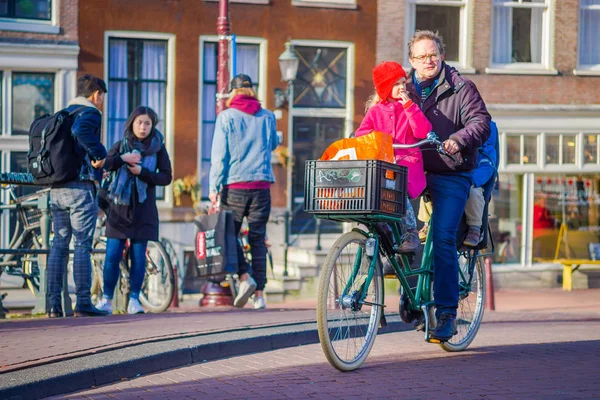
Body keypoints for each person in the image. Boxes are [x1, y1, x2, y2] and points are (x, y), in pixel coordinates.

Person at [405, 30, 491, 341]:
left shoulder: (461, 87)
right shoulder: (402, 88)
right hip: (413, 170)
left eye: (432, 54)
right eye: (421, 56)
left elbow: (480, 123)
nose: (427, 60)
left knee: (441, 238)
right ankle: (410, 292)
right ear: (412, 61)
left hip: (451, 172)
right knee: (394, 228)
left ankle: (446, 314)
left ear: (442, 55)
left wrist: (458, 140)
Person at [209, 74, 279, 310]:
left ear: (232, 94)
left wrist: (213, 188)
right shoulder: (268, 116)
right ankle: (259, 295)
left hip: (235, 186)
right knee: (257, 239)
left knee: (229, 235)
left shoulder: (226, 117)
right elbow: (271, 145)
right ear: (252, 91)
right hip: (262, 187)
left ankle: (244, 276)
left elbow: (219, 157)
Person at [95, 106, 172, 315]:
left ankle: (134, 300)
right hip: (119, 209)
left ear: (152, 125)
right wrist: (124, 159)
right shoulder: (121, 146)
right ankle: (106, 300)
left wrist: (143, 172)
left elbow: (166, 177)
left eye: (147, 123)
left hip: (144, 210)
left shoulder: (159, 149)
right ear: (132, 123)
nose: (143, 127)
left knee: (139, 257)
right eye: (139, 122)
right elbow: (105, 165)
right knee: (112, 255)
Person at [355, 61, 432, 253]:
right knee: (374, 197)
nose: (402, 88)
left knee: (397, 190)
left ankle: (411, 231)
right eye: (396, 84)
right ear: (385, 87)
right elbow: (361, 135)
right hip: (382, 167)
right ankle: (387, 243)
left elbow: (423, 131)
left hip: (407, 165)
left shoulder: (409, 107)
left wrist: (409, 106)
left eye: (403, 83)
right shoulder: (375, 112)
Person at [47, 74, 108, 318]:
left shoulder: (63, 112)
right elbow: (81, 131)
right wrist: (99, 152)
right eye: (102, 96)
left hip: (57, 189)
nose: (102, 101)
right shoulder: (90, 113)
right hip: (80, 187)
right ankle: (83, 302)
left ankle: (53, 305)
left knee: (58, 245)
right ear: (96, 95)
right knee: (82, 245)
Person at [418, 121, 498, 247]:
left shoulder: (486, 151)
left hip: (472, 183)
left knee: (473, 194)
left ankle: (475, 228)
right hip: (452, 179)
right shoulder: (457, 146)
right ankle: (427, 223)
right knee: (429, 186)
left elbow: (487, 168)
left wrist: (473, 180)